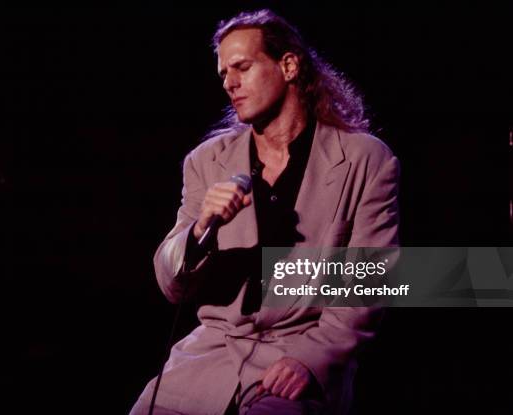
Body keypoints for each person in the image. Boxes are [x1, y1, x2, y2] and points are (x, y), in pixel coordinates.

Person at [131, 9, 399, 415]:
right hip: (211, 357)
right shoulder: (207, 161)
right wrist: (201, 228)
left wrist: (311, 361)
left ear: (289, 65)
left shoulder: (365, 160)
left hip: (298, 357)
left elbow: (370, 285)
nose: (230, 83)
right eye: (223, 74)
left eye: (242, 67)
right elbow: (171, 282)